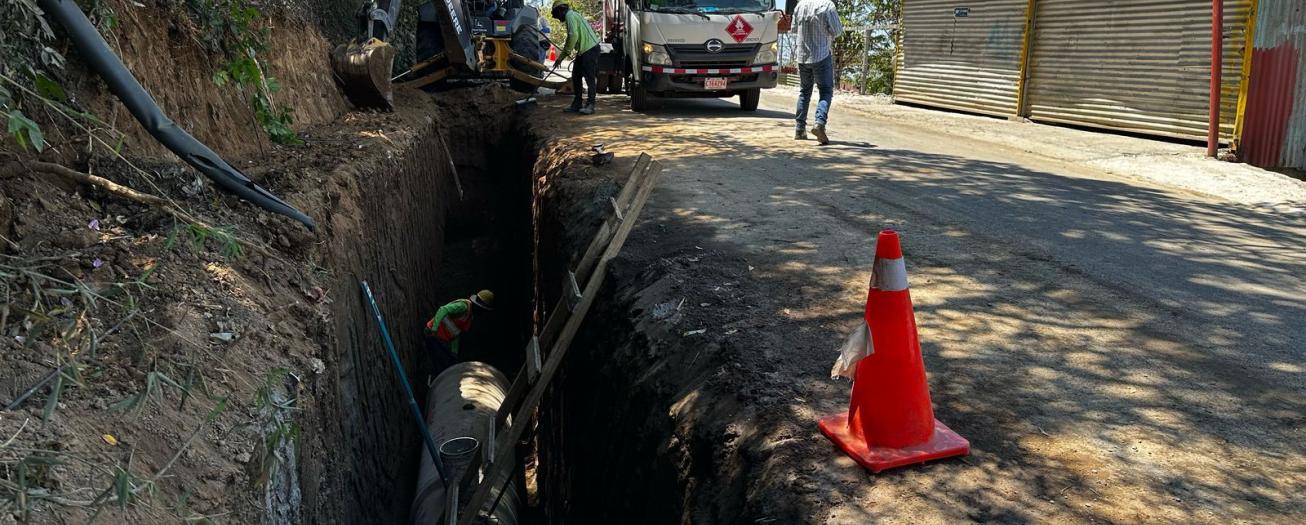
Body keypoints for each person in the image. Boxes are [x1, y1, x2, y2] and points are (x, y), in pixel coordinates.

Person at [792, 0, 842, 145]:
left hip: (802, 56)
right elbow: (837, 30)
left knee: (804, 91)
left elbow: (794, 29)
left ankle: (800, 129)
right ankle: (819, 124)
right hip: (821, 55)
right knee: (826, 91)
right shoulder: (827, 5)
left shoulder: (800, 5)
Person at [423, 289, 495, 377]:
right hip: (432, 334)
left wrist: (454, 352)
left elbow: (456, 333)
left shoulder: (469, 317)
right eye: (483, 310)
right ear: (478, 306)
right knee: (442, 365)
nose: (482, 313)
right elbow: (443, 310)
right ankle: (433, 380)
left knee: (450, 362)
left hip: (440, 339)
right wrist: (434, 329)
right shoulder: (463, 306)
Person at [551, 3, 600, 115]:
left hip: (590, 49)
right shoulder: (572, 15)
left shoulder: (570, 16)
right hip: (583, 50)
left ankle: (590, 104)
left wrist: (561, 57)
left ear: (561, 11)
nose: (559, 19)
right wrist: (562, 55)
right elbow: (572, 37)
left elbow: (573, 36)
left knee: (589, 77)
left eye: (557, 16)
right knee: (576, 75)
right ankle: (577, 103)